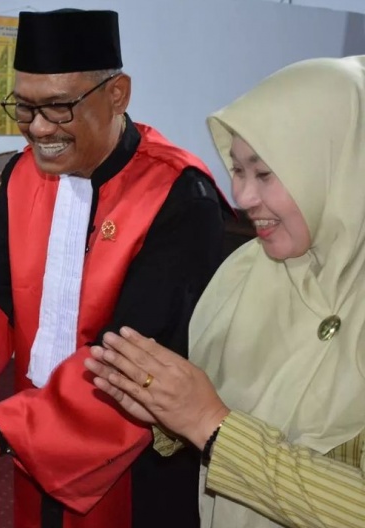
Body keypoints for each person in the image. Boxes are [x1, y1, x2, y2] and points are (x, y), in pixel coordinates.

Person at [0, 9, 231, 528]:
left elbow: (144, 350)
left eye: (57, 107)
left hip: (136, 451)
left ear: (117, 94)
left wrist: (2, 430)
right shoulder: (22, 175)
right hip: (32, 430)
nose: (37, 129)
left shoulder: (178, 193)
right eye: (24, 107)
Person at [86, 55, 365, 528]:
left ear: (339, 166)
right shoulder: (250, 269)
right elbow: (215, 407)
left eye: (266, 174)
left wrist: (210, 425)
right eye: (237, 170)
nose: (243, 197)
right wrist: (167, 411)